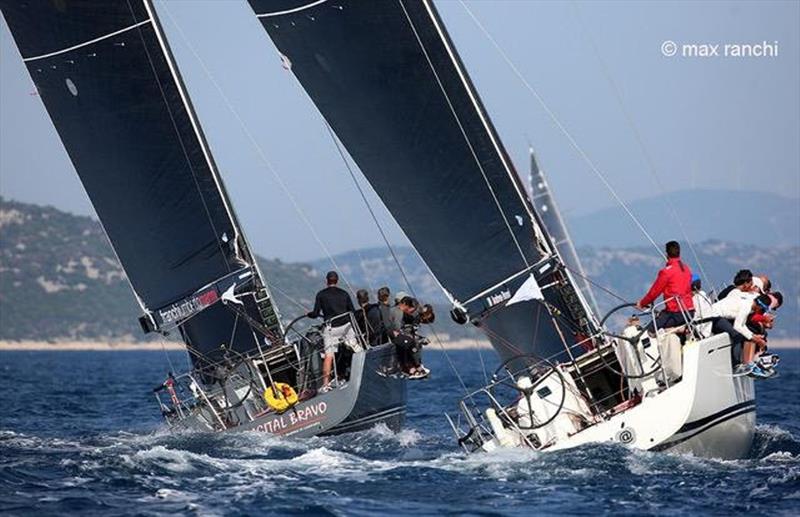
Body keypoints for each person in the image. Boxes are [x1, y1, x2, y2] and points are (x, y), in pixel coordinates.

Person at [306, 271, 357, 391]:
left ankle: (325, 384)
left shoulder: (321, 295)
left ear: (327, 280)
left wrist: (308, 314)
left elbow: (315, 313)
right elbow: (352, 311)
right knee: (356, 348)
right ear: (337, 280)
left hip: (331, 328)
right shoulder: (344, 294)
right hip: (346, 326)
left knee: (329, 356)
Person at [636, 241, 694, 331]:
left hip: (676, 314)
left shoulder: (666, 272)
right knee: (662, 316)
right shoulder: (687, 269)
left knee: (648, 330)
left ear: (667, 254)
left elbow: (654, 292)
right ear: (679, 253)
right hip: (690, 312)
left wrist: (642, 303)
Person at [710, 292, 770, 376]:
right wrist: (753, 338)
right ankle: (735, 366)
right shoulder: (746, 307)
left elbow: (742, 325)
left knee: (741, 335)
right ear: (759, 306)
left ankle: (738, 363)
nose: (761, 311)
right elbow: (737, 327)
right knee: (737, 336)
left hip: (718, 316)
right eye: (762, 309)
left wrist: (753, 335)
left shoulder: (749, 304)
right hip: (713, 317)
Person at [387, 296, 429, 378]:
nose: (410, 311)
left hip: (396, 334)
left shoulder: (397, 310)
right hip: (392, 335)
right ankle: (413, 367)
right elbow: (396, 328)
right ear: (405, 304)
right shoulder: (398, 312)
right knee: (410, 343)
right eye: (410, 308)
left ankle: (414, 366)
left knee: (409, 343)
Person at [690, 274, 714, 338]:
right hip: (709, 327)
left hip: (702, 331)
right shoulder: (704, 295)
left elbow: (699, 314)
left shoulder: (696, 298)